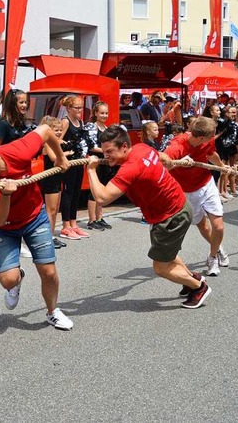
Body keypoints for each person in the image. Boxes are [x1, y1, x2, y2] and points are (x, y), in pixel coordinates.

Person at [0, 126, 74, 330]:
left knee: (48, 271)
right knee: (8, 280)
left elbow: (47, 130)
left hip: (33, 216)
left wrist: (59, 157)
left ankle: (52, 311)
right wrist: (5, 195)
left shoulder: (18, 151)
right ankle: (17, 279)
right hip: (2, 227)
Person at [87, 125, 212, 309]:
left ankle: (199, 287)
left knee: (160, 267)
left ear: (124, 147)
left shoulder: (129, 168)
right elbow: (162, 157)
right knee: (168, 254)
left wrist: (91, 170)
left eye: (110, 151)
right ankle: (190, 279)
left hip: (171, 215)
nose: (106, 156)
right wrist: (169, 163)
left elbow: (102, 198)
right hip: (174, 209)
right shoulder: (141, 148)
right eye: (104, 152)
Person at [161, 116, 230, 277]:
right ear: (200, 137)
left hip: (206, 184)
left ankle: (212, 257)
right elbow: (161, 166)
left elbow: (211, 154)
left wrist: (221, 167)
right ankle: (218, 248)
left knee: (218, 225)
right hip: (186, 191)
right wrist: (177, 162)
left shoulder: (207, 141)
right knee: (203, 226)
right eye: (210, 137)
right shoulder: (176, 147)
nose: (212, 139)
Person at [58, 95, 94, 240]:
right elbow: (57, 139)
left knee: (76, 192)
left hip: (79, 161)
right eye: (76, 107)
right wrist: (66, 150)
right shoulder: (65, 121)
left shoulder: (80, 121)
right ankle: (66, 226)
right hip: (69, 162)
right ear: (68, 108)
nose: (79, 110)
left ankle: (73, 223)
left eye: (81, 107)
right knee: (68, 193)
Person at [38, 116, 67, 249]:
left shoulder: (56, 142)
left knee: (55, 210)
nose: (59, 133)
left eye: (60, 130)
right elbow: (54, 158)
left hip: (57, 178)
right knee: (50, 210)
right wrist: (66, 153)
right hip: (49, 179)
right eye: (56, 130)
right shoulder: (48, 143)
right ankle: (47, 237)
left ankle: (52, 234)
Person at [84, 101, 113, 231]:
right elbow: (90, 145)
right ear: (95, 113)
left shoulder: (106, 128)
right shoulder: (91, 127)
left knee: (101, 190)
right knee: (93, 192)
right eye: (102, 113)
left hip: (105, 162)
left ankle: (100, 217)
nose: (104, 115)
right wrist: (106, 151)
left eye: (106, 113)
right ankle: (91, 219)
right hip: (95, 162)